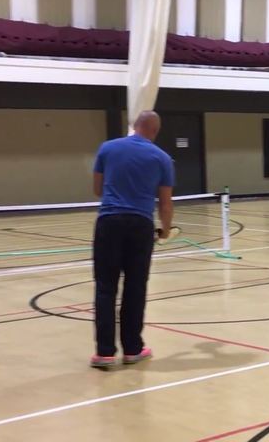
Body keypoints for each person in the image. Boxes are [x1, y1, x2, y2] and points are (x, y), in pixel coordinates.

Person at [90, 111, 173, 368]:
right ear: (155, 131)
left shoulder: (108, 148)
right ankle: (132, 350)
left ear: (134, 126)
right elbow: (165, 203)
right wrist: (166, 230)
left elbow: (97, 189)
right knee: (135, 288)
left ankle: (104, 353)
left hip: (109, 222)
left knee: (105, 288)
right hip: (140, 226)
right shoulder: (162, 158)